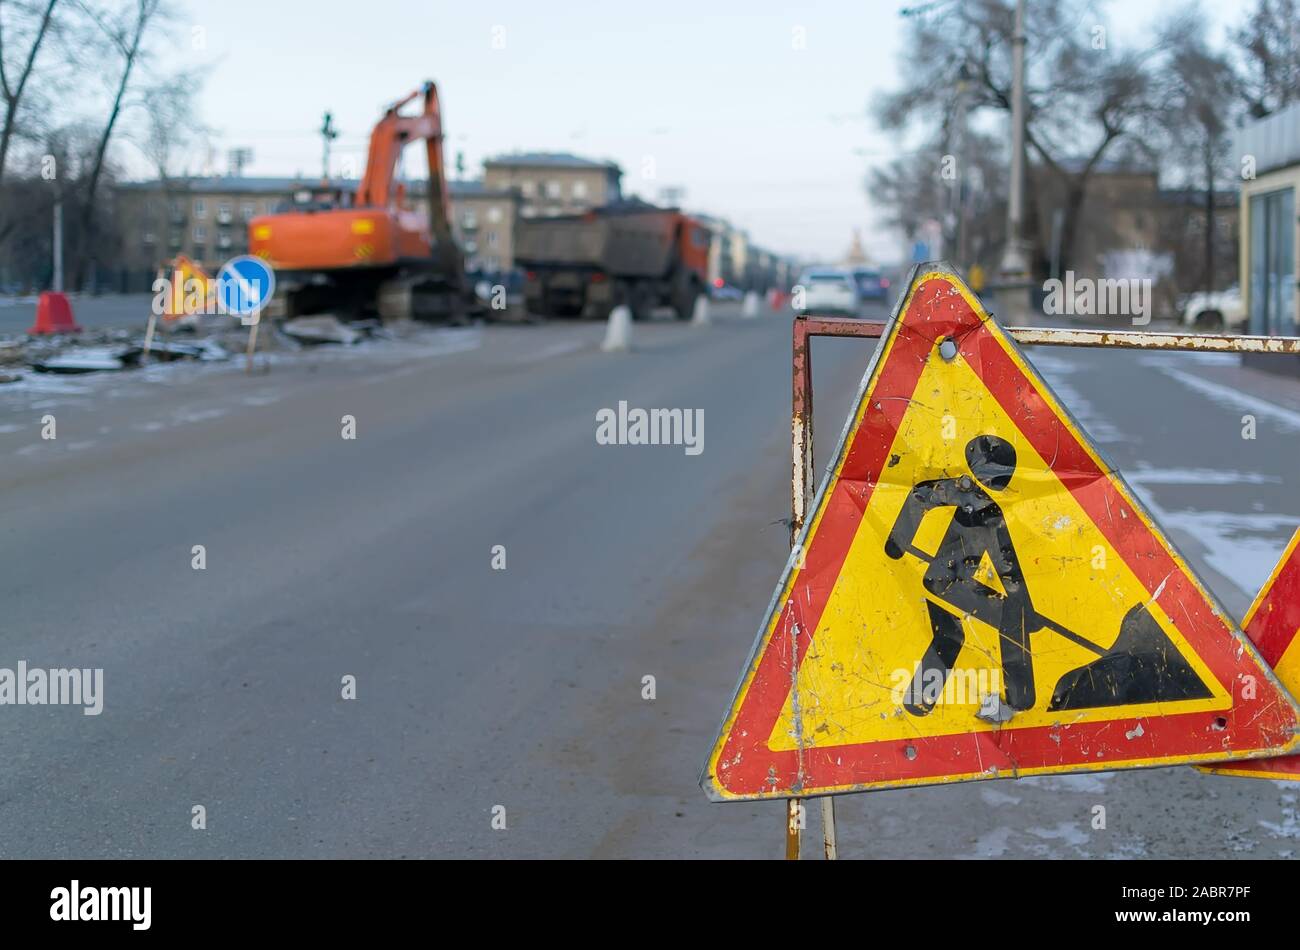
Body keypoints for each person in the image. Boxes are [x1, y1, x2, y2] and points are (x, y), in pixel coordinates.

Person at [884, 434, 1041, 715]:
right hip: (946, 582)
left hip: (951, 581)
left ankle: (921, 701)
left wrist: (1028, 608)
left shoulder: (987, 507)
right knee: (1002, 620)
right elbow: (920, 497)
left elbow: (1007, 563)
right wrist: (897, 544)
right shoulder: (970, 496)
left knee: (952, 632)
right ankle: (1021, 696)